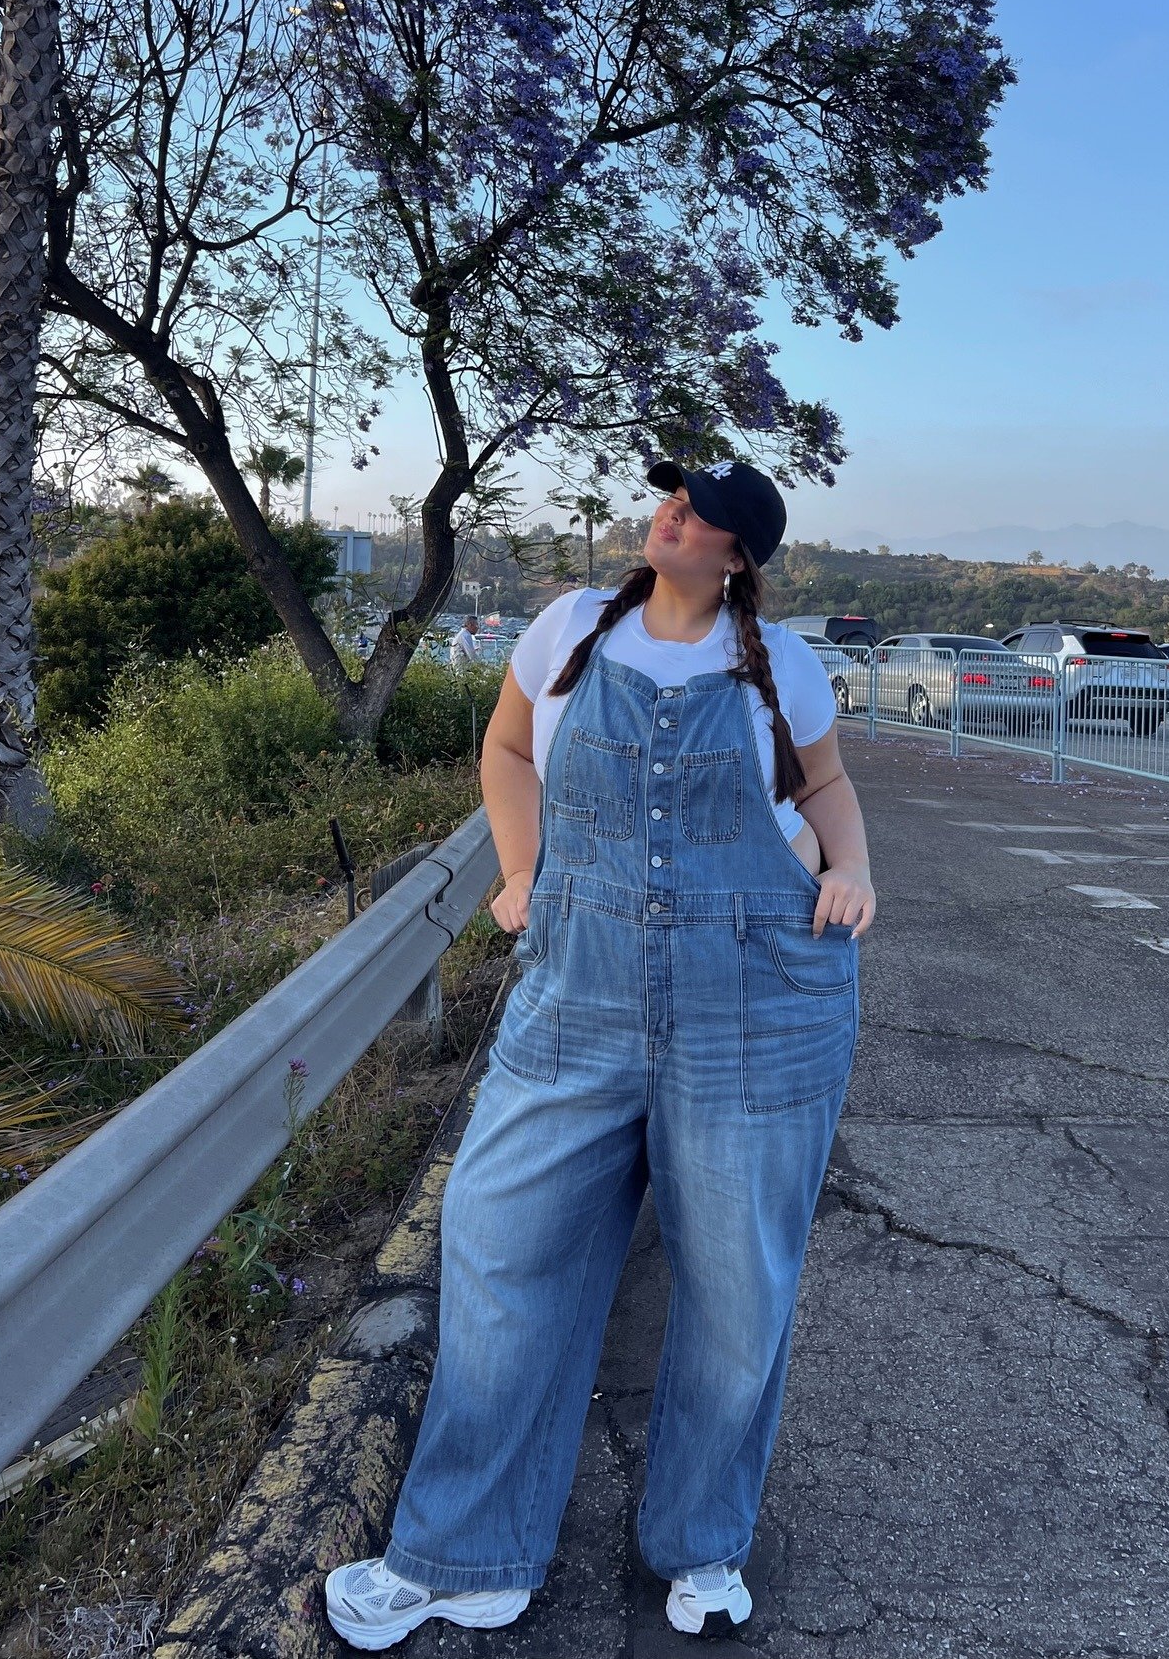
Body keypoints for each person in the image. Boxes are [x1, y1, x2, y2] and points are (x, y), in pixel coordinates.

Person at [326, 460, 876, 1646]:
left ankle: (701, 1542)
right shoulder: (570, 626)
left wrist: (851, 868)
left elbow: (825, 783)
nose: (673, 510)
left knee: (737, 1292)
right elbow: (509, 755)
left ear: (738, 552)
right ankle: (467, 1552)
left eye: (703, 509)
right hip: (579, 986)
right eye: (674, 495)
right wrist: (523, 873)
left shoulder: (783, 665)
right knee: (500, 1240)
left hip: (758, 1004)